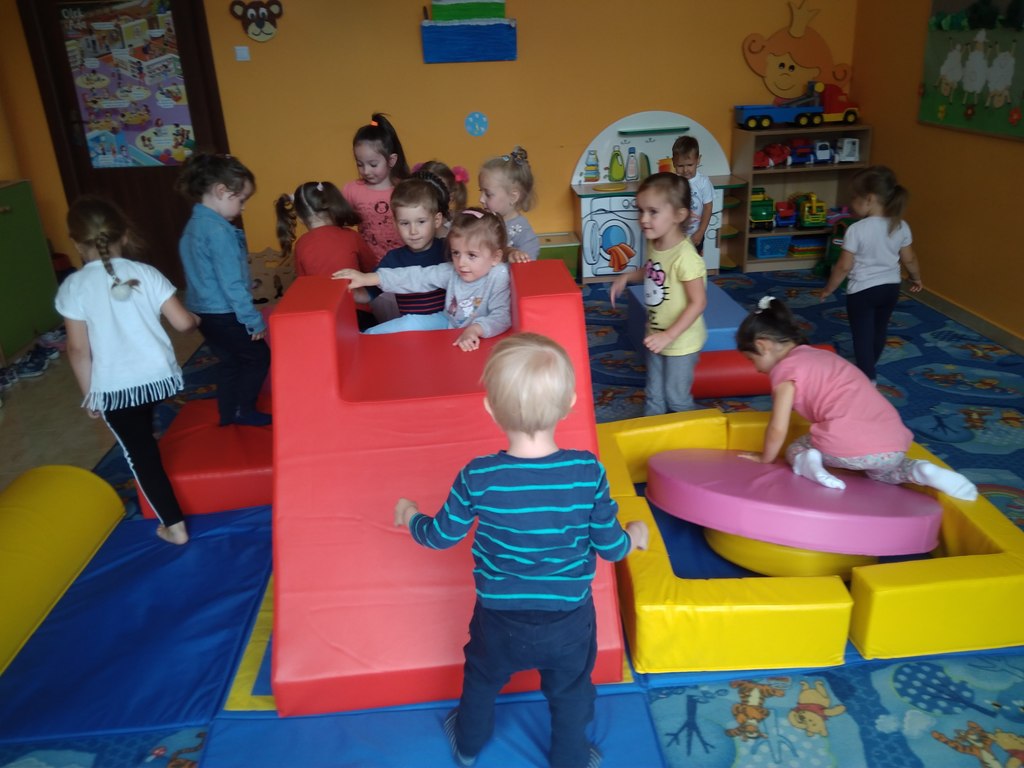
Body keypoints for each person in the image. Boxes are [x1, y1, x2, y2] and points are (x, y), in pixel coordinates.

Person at [392, 332, 649, 768]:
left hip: (499, 618)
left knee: (481, 679)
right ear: (569, 404)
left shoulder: (478, 475)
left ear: (490, 409)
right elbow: (610, 547)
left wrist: (411, 515)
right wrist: (634, 535)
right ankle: (569, 759)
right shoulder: (587, 471)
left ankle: (468, 745)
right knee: (571, 692)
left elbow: (440, 536)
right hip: (568, 619)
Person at [56, 196, 200, 545]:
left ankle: (175, 527)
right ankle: (146, 432)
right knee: (142, 427)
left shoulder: (74, 286)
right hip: (159, 380)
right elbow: (183, 323)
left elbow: (78, 349)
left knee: (140, 456)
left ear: (75, 242)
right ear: (124, 234)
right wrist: (195, 318)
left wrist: (90, 393)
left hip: (119, 388)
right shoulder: (146, 272)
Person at [736, 295, 978, 500]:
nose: (756, 369)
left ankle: (809, 463)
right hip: (893, 444)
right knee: (885, 473)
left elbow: (778, 427)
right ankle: (919, 470)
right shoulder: (823, 356)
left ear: (763, 345)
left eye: (751, 359)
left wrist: (765, 458)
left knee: (797, 448)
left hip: (846, 447)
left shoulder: (784, 371)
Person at [176, 153, 271, 427]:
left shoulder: (194, 225)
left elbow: (207, 273)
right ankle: (244, 410)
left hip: (203, 311)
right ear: (221, 191)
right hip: (225, 312)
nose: (243, 208)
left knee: (229, 361)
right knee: (258, 357)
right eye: (241, 200)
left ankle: (228, 413)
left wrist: (245, 284)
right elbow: (229, 284)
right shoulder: (219, 231)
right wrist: (252, 320)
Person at [333, 208, 511, 352]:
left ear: (495, 257)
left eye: (471, 255)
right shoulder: (452, 270)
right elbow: (417, 276)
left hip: (478, 333)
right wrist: (368, 278)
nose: (461, 262)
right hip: (447, 321)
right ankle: (363, 339)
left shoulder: (499, 274)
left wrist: (476, 330)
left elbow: (502, 316)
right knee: (408, 322)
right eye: (456, 253)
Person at [608, 173, 708, 416]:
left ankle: (698, 430)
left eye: (653, 212)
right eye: (640, 210)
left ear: (679, 215)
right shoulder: (656, 243)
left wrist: (669, 336)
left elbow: (698, 303)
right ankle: (653, 431)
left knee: (677, 398)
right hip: (655, 333)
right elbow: (653, 270)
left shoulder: (686, 258)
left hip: (680, 341)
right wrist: (628, 277)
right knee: (654, 395)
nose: (643, 219)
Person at [819, 165, 923, 383]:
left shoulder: (857, 229)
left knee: (862, 335)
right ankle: (870, 364)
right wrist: (916, 278)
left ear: (869, 199)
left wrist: (829, 288)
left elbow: (844, 266)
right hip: (890, 289)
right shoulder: (901, 225)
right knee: (879, 329)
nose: (851, 203)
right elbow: (909, 259)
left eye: (854, 198)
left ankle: (868, 378)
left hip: (863, 292)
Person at [367, 171, 451, 318]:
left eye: (421, 222)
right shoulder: (392, 259)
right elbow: (367, 294)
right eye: (405, 223)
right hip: (412, 329)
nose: (413, 231)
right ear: (395, 224)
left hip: (447, 325)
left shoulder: (449, 250)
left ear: (436, 220)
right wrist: (344, 286)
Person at [342, 113, 410, 264]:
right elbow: (338, 223)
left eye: (373, 164)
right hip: (368, 266)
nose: (366, 171)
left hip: (403, 265)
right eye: (360, 164)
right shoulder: (352, 190)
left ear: (391, 160)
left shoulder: (406, 189)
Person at [276, 180, 374, 277]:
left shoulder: (300, 244)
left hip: (318, 288)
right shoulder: (352, 236)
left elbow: (303, 281)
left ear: (300, 218)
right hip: (352, 287)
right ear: (332, 207)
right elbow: (372, 270)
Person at [479, 146, 540, 260]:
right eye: (480, 191)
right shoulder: (483, 220)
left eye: (488, 194)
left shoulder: (524, 234)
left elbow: (528, 266)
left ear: (513, 197)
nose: (481, 199)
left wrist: (516, 257)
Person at [672, 135, 714, 254]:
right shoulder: (673, 182)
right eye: (680, 166)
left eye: (690, 165)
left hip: (696, 234)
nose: (685, 170)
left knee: (695, 262)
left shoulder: (703, 182)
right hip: (675, 235)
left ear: (698, 160)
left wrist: (701, 232)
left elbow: (708, 208)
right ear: (673, 162)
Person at [414, 159, 469, 235]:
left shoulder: (458, 226)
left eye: (436, 193)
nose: (428, 199)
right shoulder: (409, 222)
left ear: (450, 197)